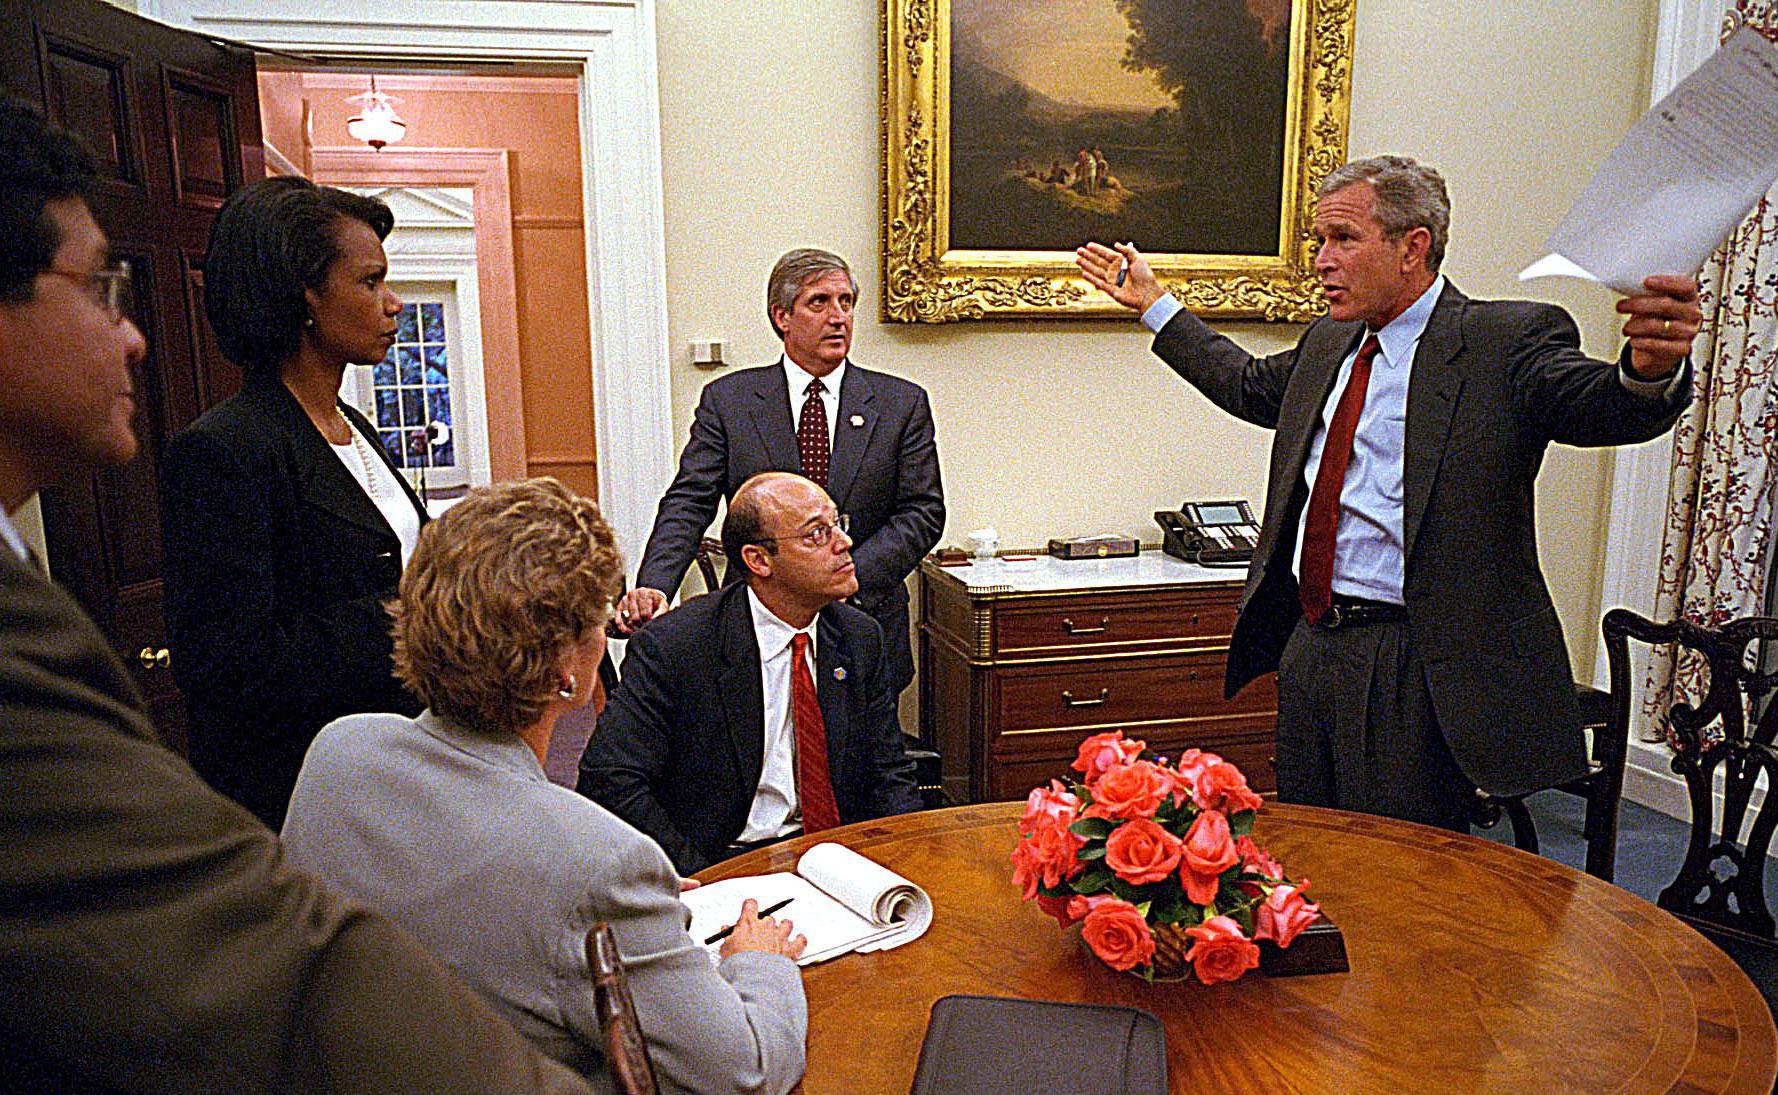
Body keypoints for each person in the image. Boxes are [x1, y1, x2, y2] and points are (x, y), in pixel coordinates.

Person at [0, 97, 851, 1095]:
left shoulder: (354, 438)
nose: (130, 340)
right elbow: (283, 942)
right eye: (98, 291)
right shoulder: (229, 458)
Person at [283, 476, 813, 1095]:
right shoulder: (591, 857)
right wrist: (759, 967)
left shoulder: (338, 755)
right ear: (569, 665)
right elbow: (739, 1073)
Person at [1075, 154, 1703, 830]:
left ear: (1413, 247)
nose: (1321, 259)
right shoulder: (1332, 341)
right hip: (1312, 643)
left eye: (1343, 238)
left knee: (1405, 871)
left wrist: (1649, 370)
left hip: (1414, 661)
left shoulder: (1504, 341)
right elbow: (1249, 384)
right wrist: (1154, 304)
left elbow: (1605, 405)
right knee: (1313, 852)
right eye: (1319, 240)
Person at [159, 175, 430, 829]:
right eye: (370, 282)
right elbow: (227, 664)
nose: (393, 304)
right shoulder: (224, 450)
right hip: (304, 796)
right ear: (302, 295)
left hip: (398, 767)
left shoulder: (354, 426)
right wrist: (411, 613)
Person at [613, 247, 943, 697]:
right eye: (819, 302)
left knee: (860, 763)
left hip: (864, 617)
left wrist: (842, 575)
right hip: (754, 622)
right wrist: (655, 584)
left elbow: (922, 512)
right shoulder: (730, 402)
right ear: (782, 316)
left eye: (846, 302)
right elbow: (690, 501)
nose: (838, 317)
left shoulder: (899, 403)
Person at [582, 472, 920, 875]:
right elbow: (610, 780)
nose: (844, 543)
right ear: (758, 560)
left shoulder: (859, 637)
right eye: (816, 533)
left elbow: (888, 772)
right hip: (723, 859)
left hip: (835, 860)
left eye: (837, 524)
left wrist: (906, 860)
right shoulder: (677, 646)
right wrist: (699, 878)